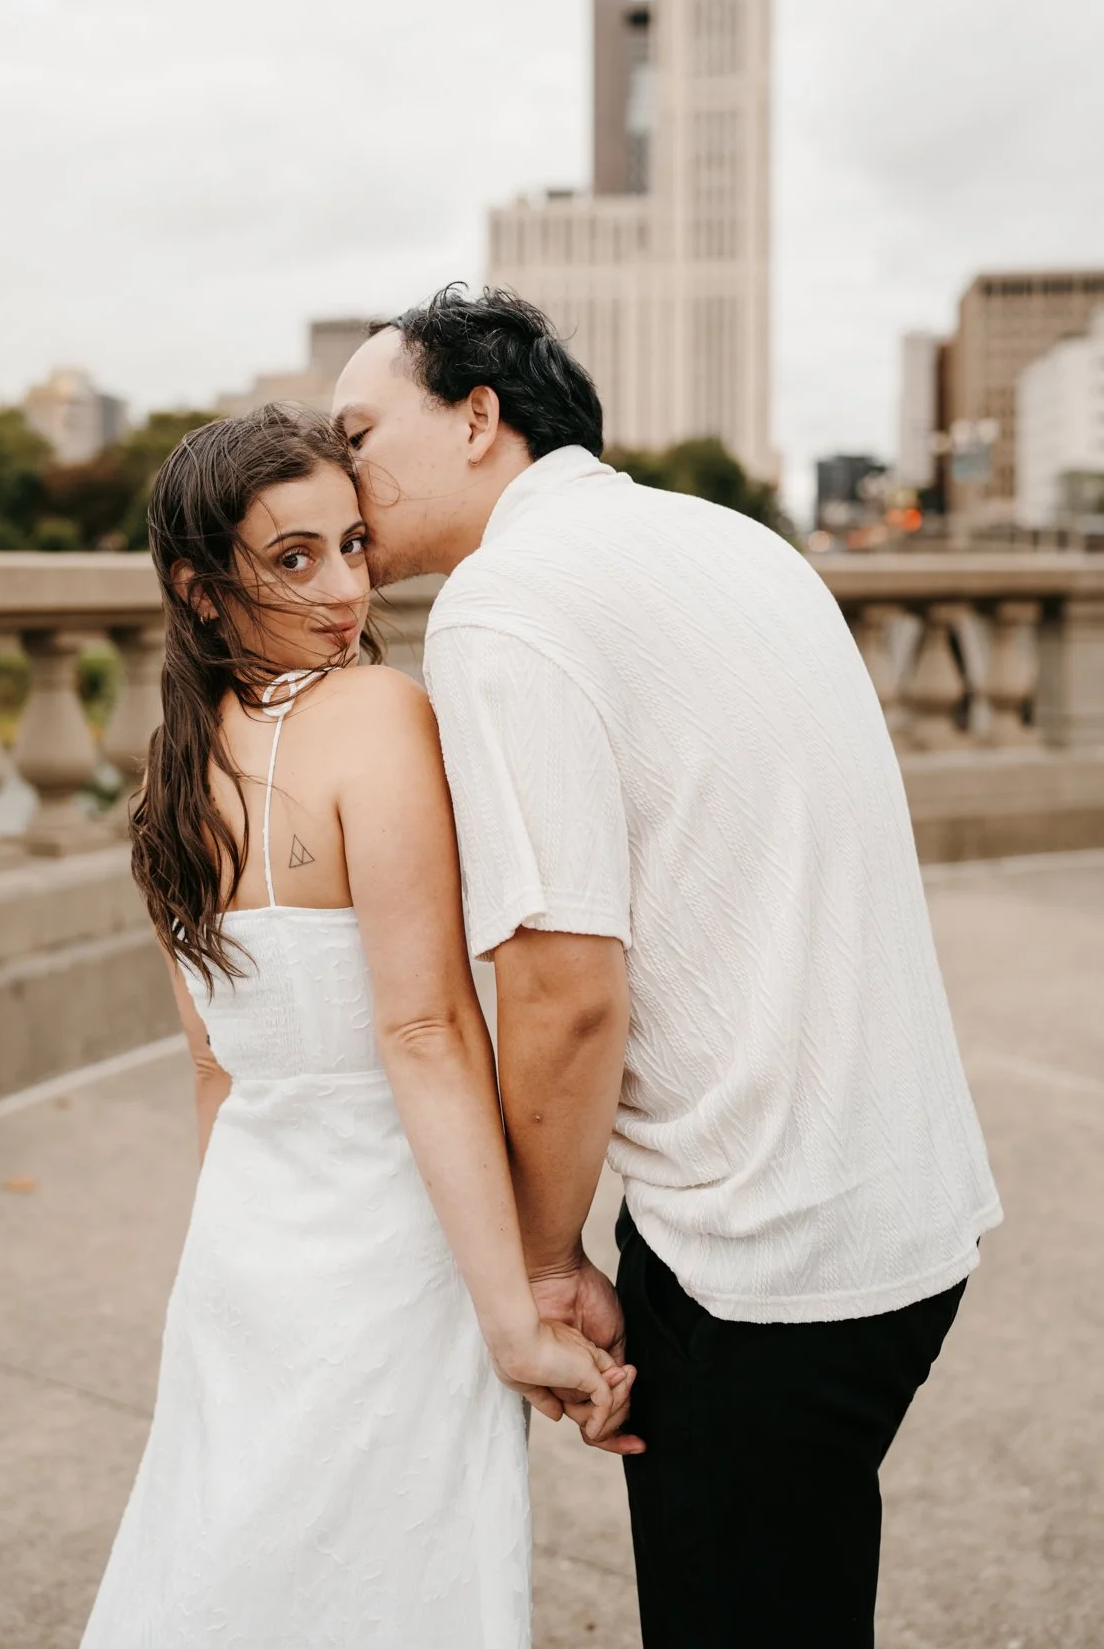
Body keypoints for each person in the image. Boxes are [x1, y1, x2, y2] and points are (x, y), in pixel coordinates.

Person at [333, 287, 1003, 1649]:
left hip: (758, 1266)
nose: (338, 472)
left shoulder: (501, 607)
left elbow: (564, 994)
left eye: (357, 431)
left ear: (477, 417)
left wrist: (537, 1261)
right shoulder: (728, 539)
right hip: (909, 1215)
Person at [80, 404, 632, 1649]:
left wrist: (229, 1264)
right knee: (397, 1585)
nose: (344, 587)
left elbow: (216, 1073)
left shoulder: (170, 778)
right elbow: (426, 1027)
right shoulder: (378, 712)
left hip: (243, 1248)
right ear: (200, 588)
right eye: (292, 558)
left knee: (232, 1565)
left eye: (351, 543)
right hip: (398, 1245)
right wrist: (511, 1305)